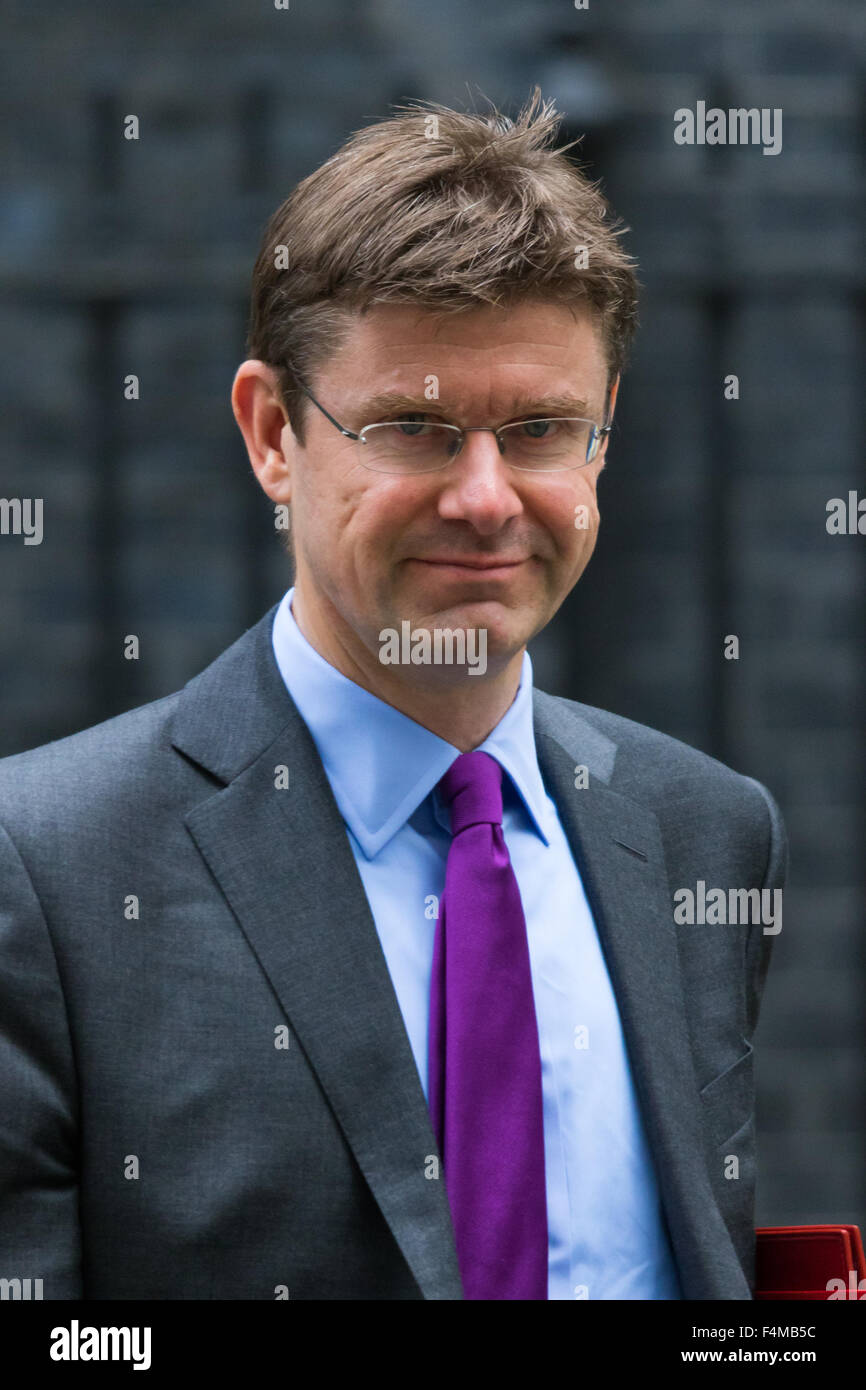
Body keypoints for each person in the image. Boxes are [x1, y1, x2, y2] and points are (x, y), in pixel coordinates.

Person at [0, 89, 786, 1300]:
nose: (484, 497)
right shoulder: (48, 864)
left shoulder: (704, 827)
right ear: (271, 433)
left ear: (602, 439)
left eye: (538, 428)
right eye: (413, 427)